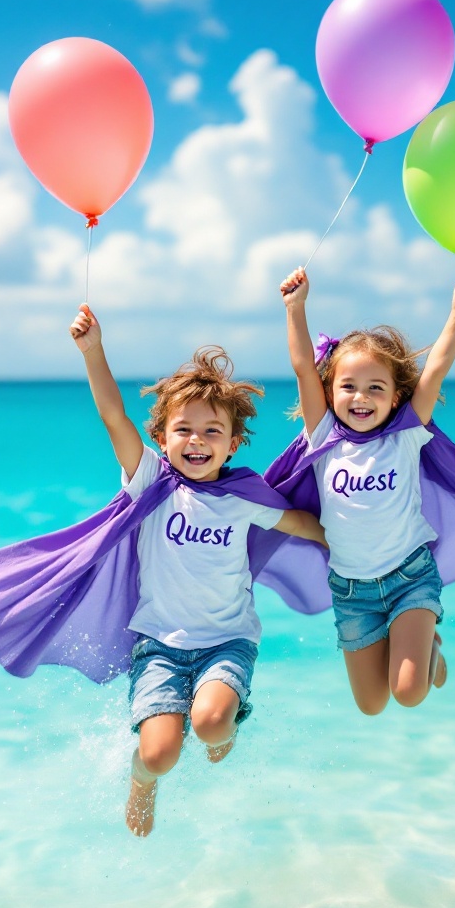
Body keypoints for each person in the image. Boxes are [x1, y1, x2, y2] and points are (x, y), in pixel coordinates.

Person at [69, 303, 326, 836]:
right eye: (183, 429)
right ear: (161, 438)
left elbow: (300, 523)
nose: (197, 440)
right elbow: (114, 417)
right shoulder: (149, 484)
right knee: (159, 755)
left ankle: (227, 725)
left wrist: (358, 545)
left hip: (228, 640)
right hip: (159, 645)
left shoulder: (243, 497)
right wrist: (94, 351)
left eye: (213, 431)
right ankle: (142, 781)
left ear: (232, 444)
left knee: (210, 725)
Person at [278, 267, 455, 717]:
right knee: (372, 705)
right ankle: (418, 641)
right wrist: (295, 308)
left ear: (395, 397)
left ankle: (430, 653)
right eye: (348, 386)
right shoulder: (323, 437)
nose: (360, 397)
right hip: (351, 592)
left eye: (375, 388)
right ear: (330, 391)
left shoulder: (405, 434)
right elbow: (303, 368)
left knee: (408, 692)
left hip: (409, 577)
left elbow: (437, 367)